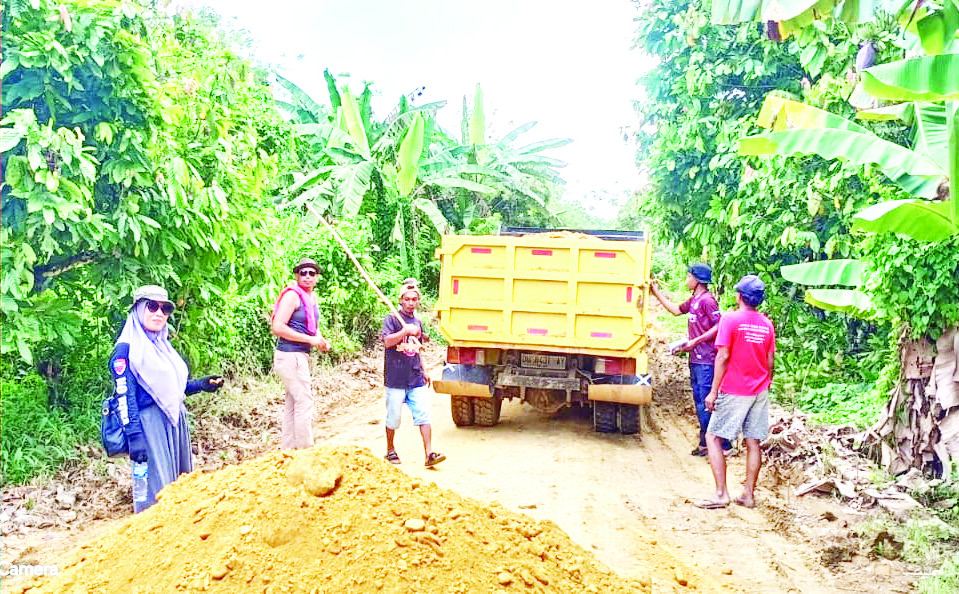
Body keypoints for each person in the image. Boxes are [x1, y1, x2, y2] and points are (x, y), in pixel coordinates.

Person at [109, 285, 224, 512]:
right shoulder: (125, 351)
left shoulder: (162, 346)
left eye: (165, 308)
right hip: (148, 426)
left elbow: (170, 388)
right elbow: (125, 396)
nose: (159, 313)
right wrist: (134, 437)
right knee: (154, 490)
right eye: (152, 306)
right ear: (138, 310)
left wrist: (200, 385)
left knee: (179, 486)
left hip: (173, 422)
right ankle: (150, 537)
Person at [695, 275, 776, 510]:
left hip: (734, 389)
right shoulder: (766, 324)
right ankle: (748, 495)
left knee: (713, 436)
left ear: (739, 296)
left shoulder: (730, 319)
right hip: (759, 390)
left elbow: (723, 356)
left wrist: (713, 392)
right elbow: (770, 361)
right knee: (753, 442)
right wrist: (765, 382)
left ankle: (721, 494)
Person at [650, 263, 732, 456]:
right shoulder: (694, 300)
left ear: (697, 280)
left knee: (706, 403)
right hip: (696, 359)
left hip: (706, 359)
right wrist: (657, 293)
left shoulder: (707, 301)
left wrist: (696, 341)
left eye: (688, 277)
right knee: (698, 401)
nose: (686, 280)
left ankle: (723, 444)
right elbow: (676, 310)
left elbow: (719, 326)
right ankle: (705, 444)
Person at [381, 278, 445, 467]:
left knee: (423, 416)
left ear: (418, 301)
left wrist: (425, 370)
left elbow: (418, 350)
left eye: (414, 299)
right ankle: (390, 450)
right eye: (407, 299)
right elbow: (387, 342)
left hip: (415, 378)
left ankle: (429, 454)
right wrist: (404, 331)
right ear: (401, 300)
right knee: (393, 418)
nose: (410, 303)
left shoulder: (417, 322)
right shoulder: (391, 319)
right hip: (395, 379)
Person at [271, 257, 331, 450]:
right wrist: (310, 340)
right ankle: (306, 450)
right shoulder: (293, 296)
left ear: (317, 277)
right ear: (297, 276)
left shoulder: (310, 298)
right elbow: (277, 327)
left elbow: (312, 330)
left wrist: (320, 340)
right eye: (303, 273)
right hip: (290, 356)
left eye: (311, 273)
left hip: (298, 357)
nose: (307, 277)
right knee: (305, 401)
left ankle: (288, 450)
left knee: (293, 402)